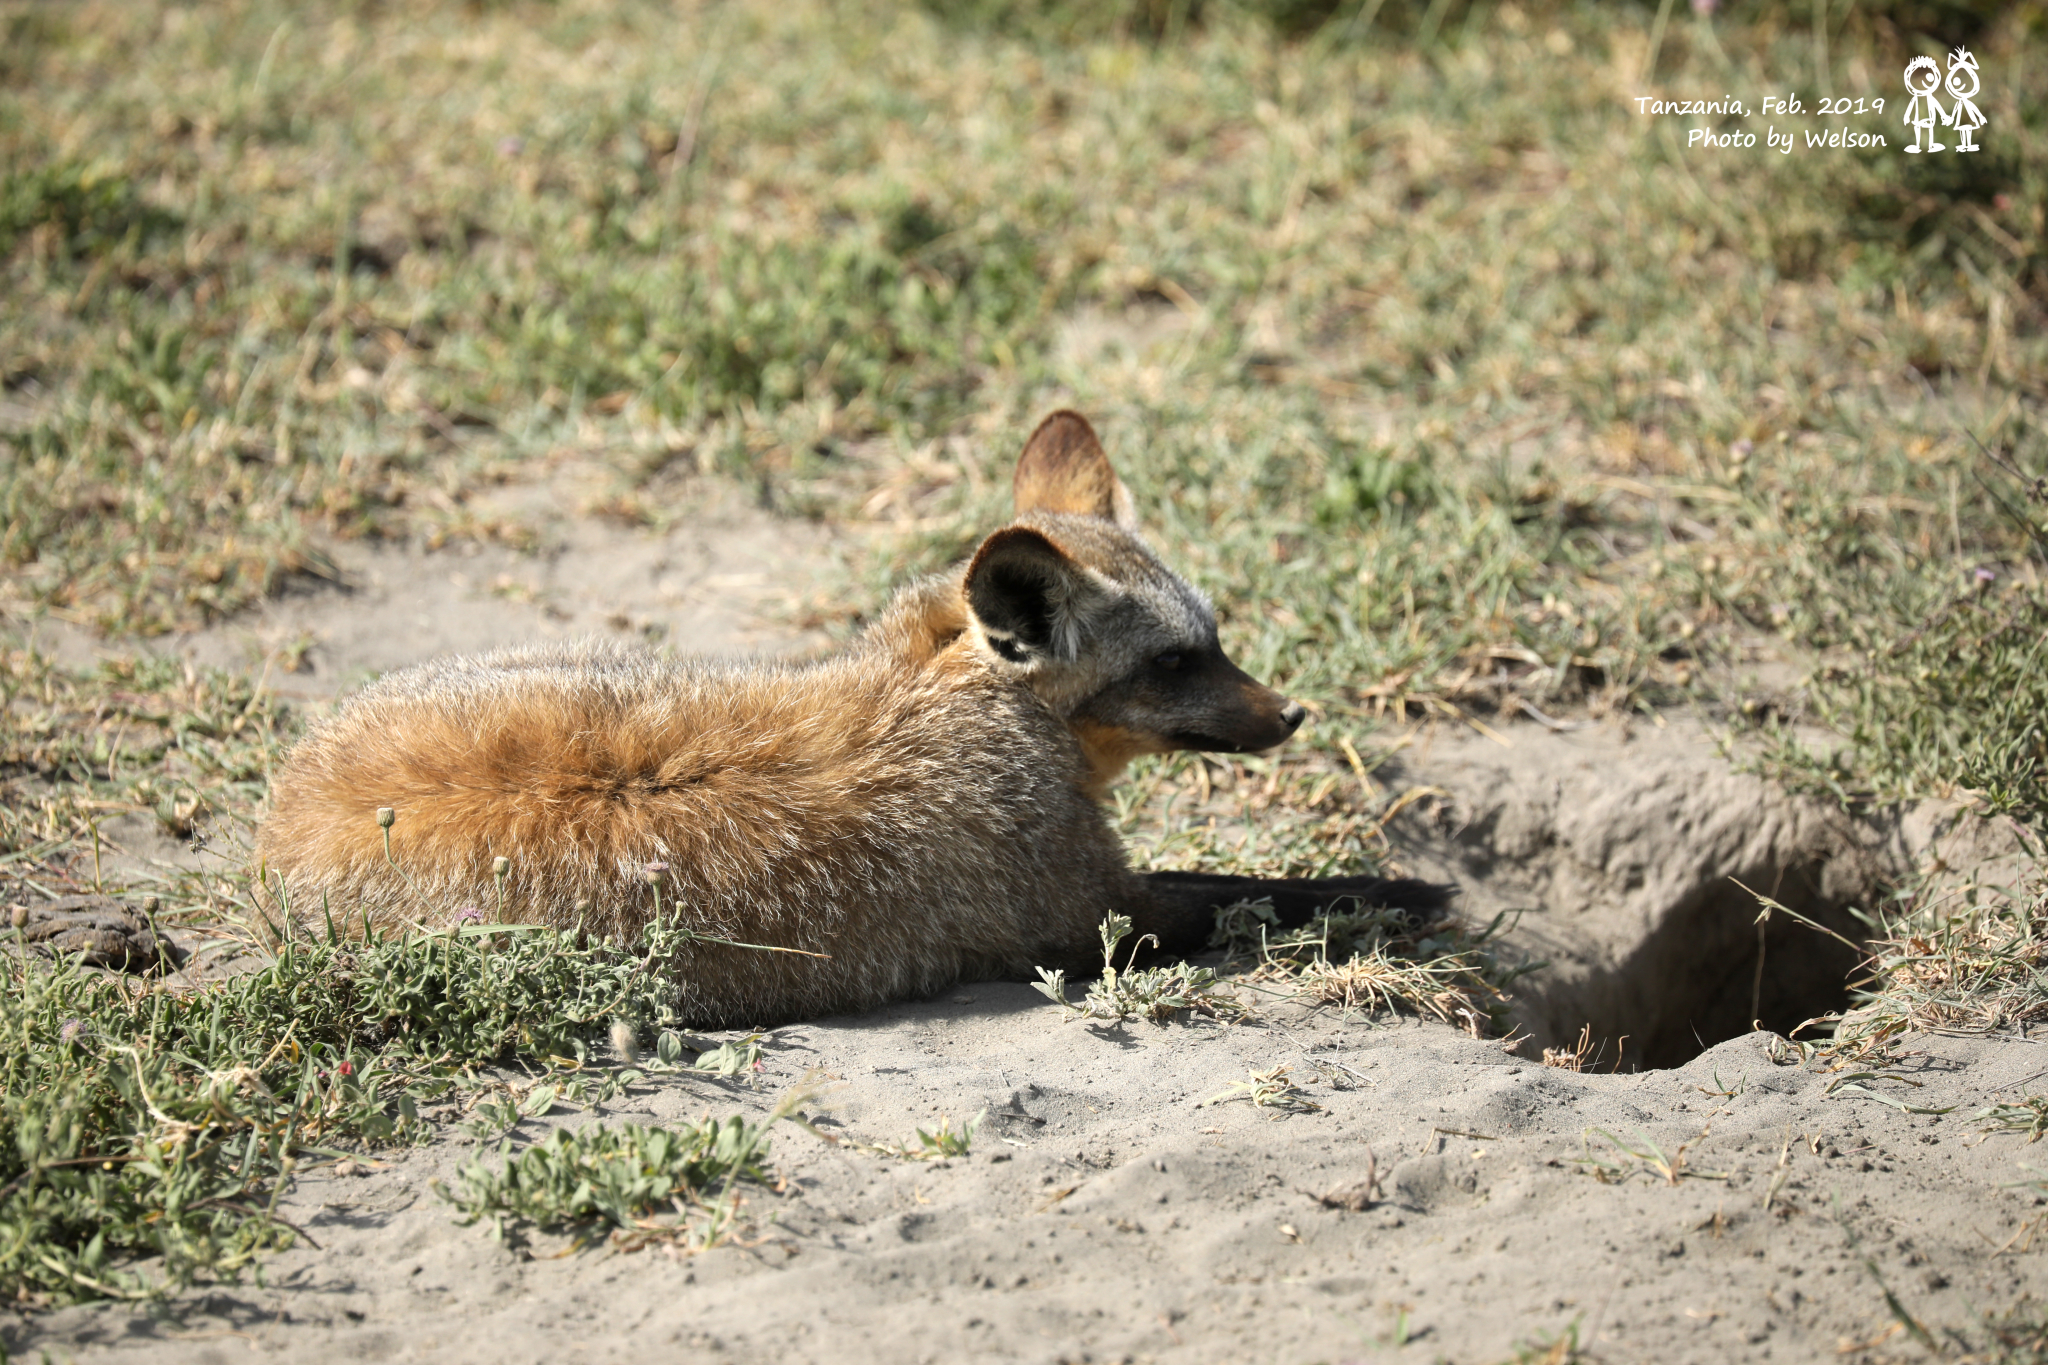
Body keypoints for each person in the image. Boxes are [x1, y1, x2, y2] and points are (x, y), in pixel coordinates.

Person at [1946, 48, 1986, 153]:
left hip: (1968, 118)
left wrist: (1981, 116)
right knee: (1963, 131)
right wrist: (1951, 117)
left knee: (1967, 130)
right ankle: (1964, 145)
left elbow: (1973, 108)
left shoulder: (1966, 101)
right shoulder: (1959, 101)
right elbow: (1955, 109)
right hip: (1960, 119)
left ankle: (1968, 144)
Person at [1903, 56, 1946, 153]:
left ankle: (1931, 145)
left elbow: (1937, 106)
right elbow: (1910, 107)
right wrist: (1907, 116)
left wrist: (1944, 115)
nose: (1923, 82)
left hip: (1929, 118)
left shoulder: (1930, 97)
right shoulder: (1915, 98)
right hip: (1917, 119)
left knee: (1930, 130)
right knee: (1918, 130)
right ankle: (1917, 145)